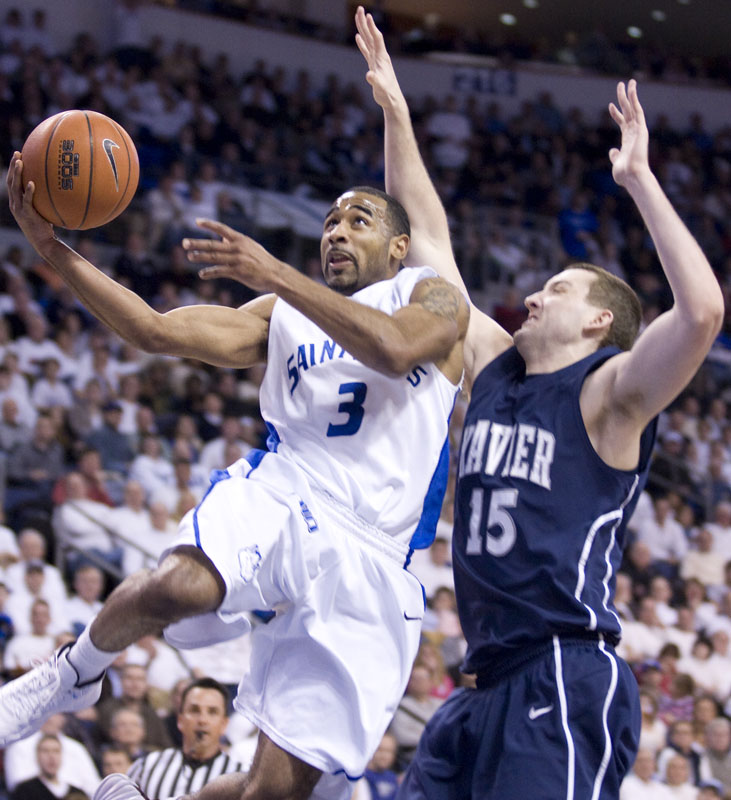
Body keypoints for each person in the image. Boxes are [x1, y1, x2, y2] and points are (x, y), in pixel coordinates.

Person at [0, 72, 469, 800]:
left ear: (400, 246)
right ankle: (71, 675)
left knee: (273, 792)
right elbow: (155, 330)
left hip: (374, 559)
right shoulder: (279, 312)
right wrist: (51, 250)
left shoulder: (431, 297)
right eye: (329, 222)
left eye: (357, 220)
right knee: (180, 583)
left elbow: (395, 351)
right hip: (288, 493)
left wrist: (276, 272)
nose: (336, 231)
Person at [353, 7, 723, 799]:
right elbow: (424, 237)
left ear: (598, 322)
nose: (529, 294)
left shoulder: (609, 396)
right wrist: (395, 112)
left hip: (562, 673)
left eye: (553, 290)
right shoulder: (492, 366)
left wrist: (639, 182)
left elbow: (700, 314)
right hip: (478, 686)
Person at [127, 677, 247, 798]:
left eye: (212, 712)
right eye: (194, 710)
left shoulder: (241, 777)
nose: (202, 720)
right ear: (180, 720)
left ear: (224, 724)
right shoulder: (147, 766)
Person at [10, 733, 89, 800]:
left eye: (56, 751)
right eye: (45, 751)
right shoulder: (25, 791)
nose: (51, 757)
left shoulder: (77, 793)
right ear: (37, 756)